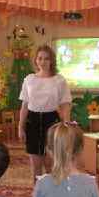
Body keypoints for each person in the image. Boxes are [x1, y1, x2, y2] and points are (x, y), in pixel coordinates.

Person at [18, 45, 72, 181]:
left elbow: (65, 104)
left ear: (51, 61)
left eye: (46, 59)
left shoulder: (59, 80)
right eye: (40, 58)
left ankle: (51, 192)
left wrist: (66, 126)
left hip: (52, 122)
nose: (43, 62)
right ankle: (37, 192)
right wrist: (20, 127)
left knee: (50, 165)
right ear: (35, 60)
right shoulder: (29, 79)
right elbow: (24, 105)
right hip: (33, 122)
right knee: (36, 167)